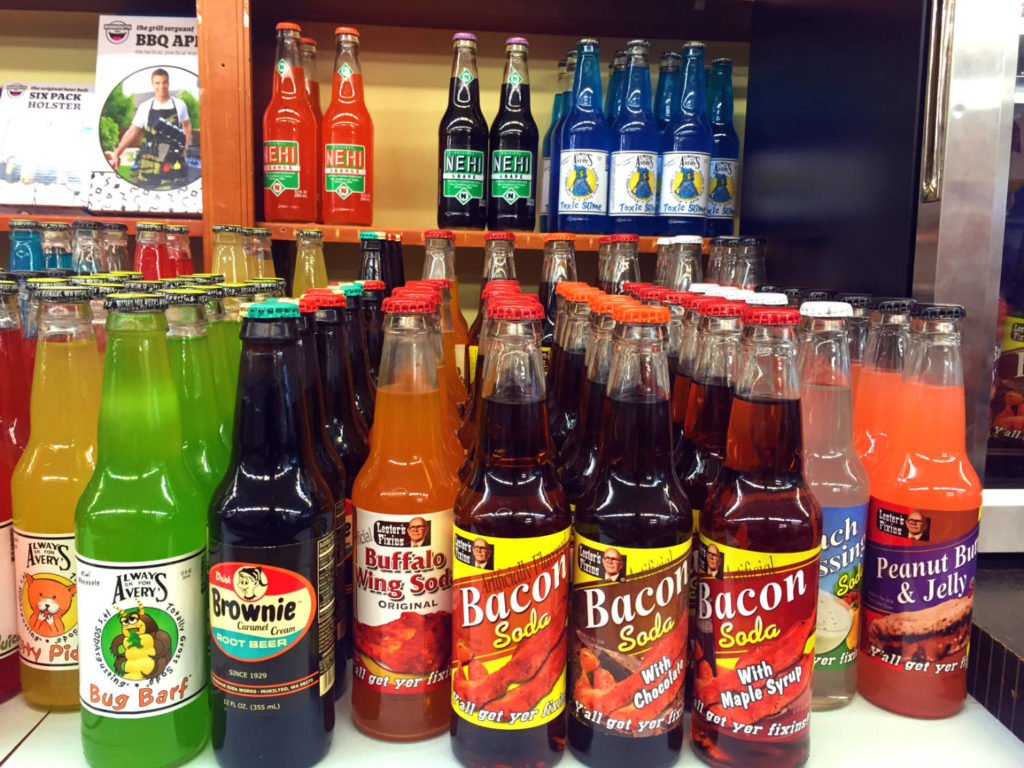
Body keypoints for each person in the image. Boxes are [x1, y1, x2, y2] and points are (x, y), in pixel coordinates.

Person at [107, 68, 193, 188]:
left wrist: (186, 145)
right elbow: (132, 131)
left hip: (174, 163)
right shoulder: (145, 107)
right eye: (157, 83)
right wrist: (117, 154)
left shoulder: (179, 105)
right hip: (149, 165)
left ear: (168, 83)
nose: (161, 86)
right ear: (152, 84)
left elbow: (187, 125)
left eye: (164, 82)